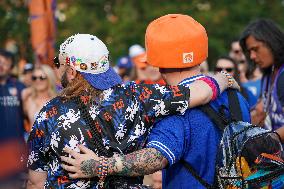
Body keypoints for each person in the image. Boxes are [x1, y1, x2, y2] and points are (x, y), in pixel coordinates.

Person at [60, 14, 248, 189]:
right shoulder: (235, 96)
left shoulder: (170, 107)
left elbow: (156, 158)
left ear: (156, 59)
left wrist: (99, 166)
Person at [239, 18, 284, 142]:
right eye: (250, 52)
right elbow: (260, 113)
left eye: (256, 49)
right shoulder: (268, 75)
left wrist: (269, 139)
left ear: (271, 43)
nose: (252, 56)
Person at [0, 49, 27, 188]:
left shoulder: (20, 87)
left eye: (5, 63)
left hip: (15, 150)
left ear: (11, 66)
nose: (1, 66)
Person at [22, 64, 57, 130]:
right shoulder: (28, 100)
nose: (38, 80)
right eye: (34, 78)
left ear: (49, 78)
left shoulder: (56, 101)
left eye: (42, 77)